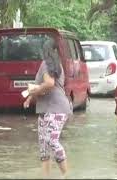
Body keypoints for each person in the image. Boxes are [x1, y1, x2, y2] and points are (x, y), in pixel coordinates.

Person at [23, 39, 72, 178]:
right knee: (44, 148)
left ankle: (67, 176)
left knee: (52, 141)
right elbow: (40, 86)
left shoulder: (47, 64)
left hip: (56, 109)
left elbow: (49, 84)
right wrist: (30, 97)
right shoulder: (54, 65)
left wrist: (35, 90)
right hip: (46, 109)